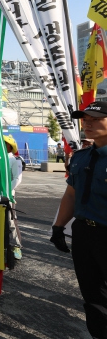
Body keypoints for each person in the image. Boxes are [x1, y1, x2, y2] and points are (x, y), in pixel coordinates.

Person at [50, 101, 107, 338]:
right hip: (84, 234)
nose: (88, 123)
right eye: (85, 119)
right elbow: (71, 194)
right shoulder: (80, 157)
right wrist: (58, 227)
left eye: (96, 118)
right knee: (92, 294)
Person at [4, 135, 23, 260]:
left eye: (4, 143)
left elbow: (17, 179)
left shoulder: (15, 160)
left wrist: (6, 191)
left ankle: (16, 245)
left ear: (9, 146)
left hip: (7, 194)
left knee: (11, 220)